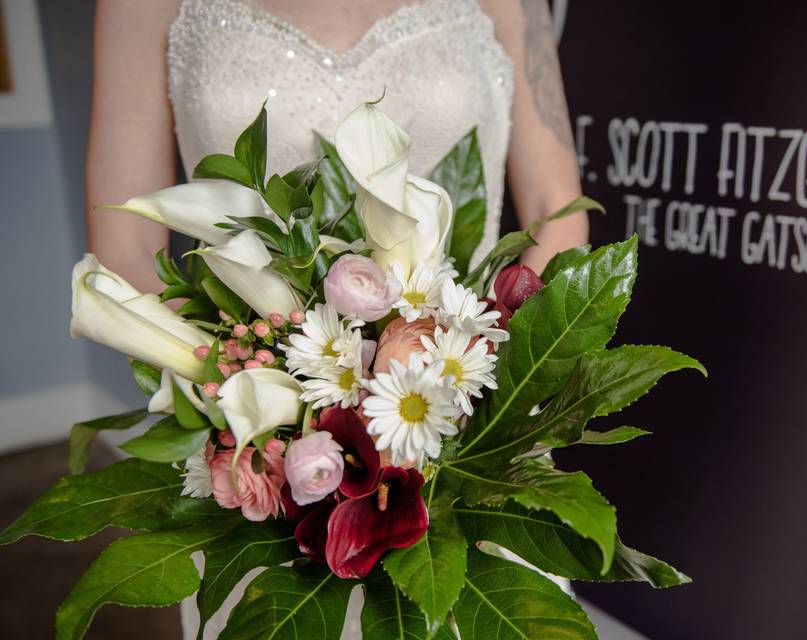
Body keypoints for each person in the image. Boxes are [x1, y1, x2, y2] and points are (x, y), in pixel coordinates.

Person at [86, 1, 586, 637]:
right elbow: (125, 242)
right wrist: (258, 397)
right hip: (267, 452)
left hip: (474, 415)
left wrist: (496, 392)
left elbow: (556, 207)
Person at [86, 0, 588, 297]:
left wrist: (494, 372)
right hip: (250, 429)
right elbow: (123, 246)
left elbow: (555, 207)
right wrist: (231, 383)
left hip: (474, 403)